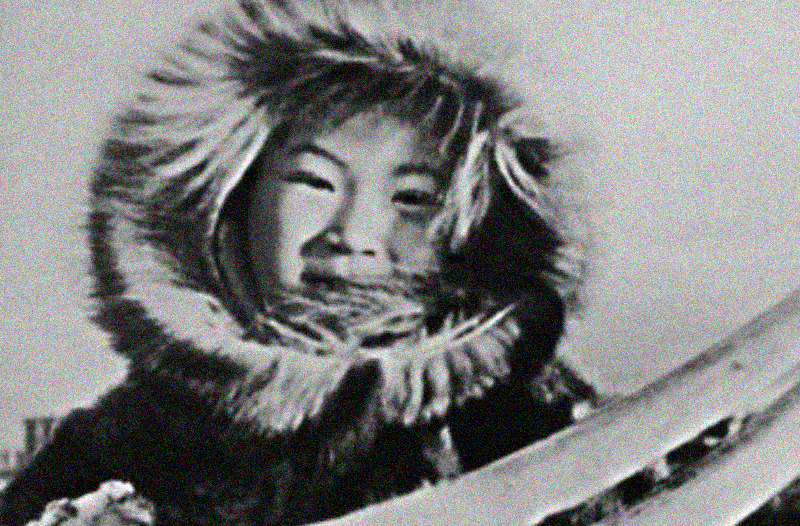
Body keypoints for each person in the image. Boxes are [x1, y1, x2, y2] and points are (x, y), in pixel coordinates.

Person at [0, 0, 596, 524]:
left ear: (475, 226)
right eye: (314, 182)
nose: (354, 236)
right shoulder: (127, 445)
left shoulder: (527, 421)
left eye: (414, 199)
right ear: (233, 198)